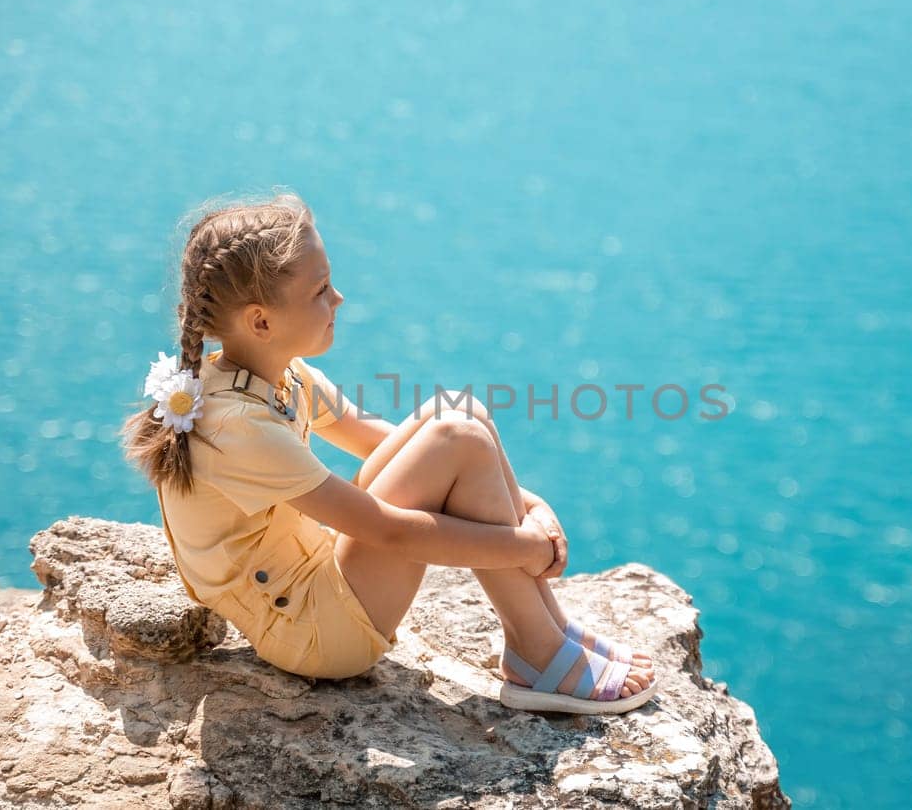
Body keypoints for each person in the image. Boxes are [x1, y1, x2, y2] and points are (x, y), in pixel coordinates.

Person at [120, 191, 656, 714]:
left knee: (461, 417)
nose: (339, 300)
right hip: (315, 633)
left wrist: (530, 505)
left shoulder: (276, 376)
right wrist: (523, 548)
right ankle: (537, 653)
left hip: (319, 579)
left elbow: (385, 440)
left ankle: (546, 629)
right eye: (322, 290)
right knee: (457, 437)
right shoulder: (237, 426)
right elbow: (389, 532)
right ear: (261, 322)